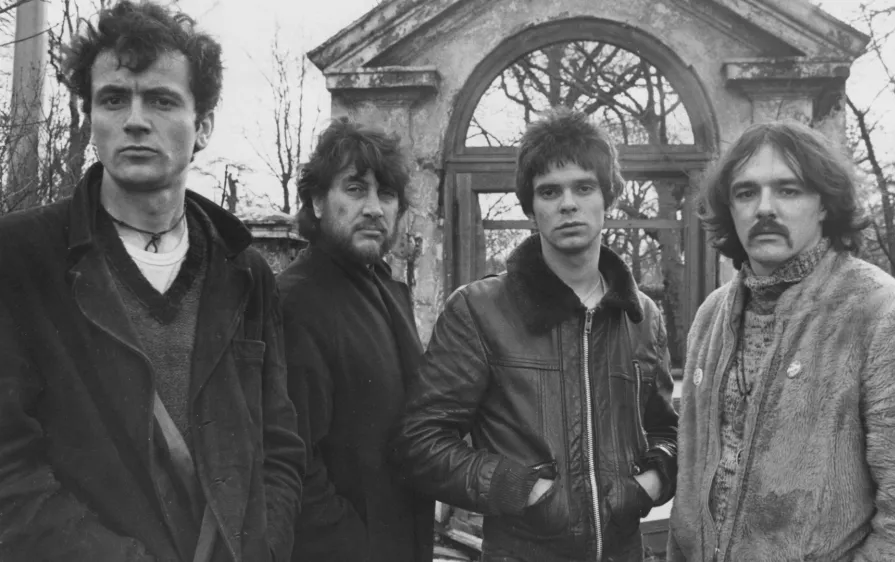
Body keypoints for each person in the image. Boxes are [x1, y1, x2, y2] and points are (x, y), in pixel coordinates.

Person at [0, 2, 306, 561]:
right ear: (91, 116)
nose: (135, 119)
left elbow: (279, 447)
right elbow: (8, 472)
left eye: (162, 100)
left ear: (204, 125)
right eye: (114, 98)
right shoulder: (20, 258)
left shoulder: (245, 271)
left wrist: (262, 548)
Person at [667, 120, 895, 561]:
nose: (765, 208)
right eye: (746, 192)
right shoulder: (711, 315)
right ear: (729, 208)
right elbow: (692, 495)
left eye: (788, 190)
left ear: (824, 206)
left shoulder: (888, 318)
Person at [392, 107, 679, 562]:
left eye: (584, 187)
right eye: (550, 191)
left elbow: (666, 430)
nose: (568, 203)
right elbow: (423, 444)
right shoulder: (480, 310)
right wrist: (524, 490)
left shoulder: (641, 315)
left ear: (608, 198)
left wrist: (649, 484)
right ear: (531, 206)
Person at [279, 118, 434, 562]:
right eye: (354, 189)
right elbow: (293, 461)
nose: (374, 208)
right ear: (317, 201)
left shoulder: (385, 287)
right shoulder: (295, 301)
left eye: (386, 194)